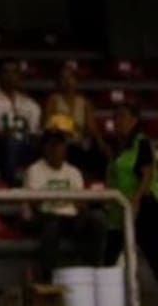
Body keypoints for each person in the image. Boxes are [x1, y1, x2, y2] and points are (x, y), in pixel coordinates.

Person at [21, 129, 107, 281]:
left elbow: (81, 202)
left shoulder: (73, 172)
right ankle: (48, 278)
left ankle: (93, 271)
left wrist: (81, 210)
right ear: (45, 148)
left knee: (97, 219)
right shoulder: (34, 170)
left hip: (70, 217)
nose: (56, 149)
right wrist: (62, 198)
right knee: (52, 224)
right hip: (45, 216)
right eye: (52, 145)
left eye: (60, 145)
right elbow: (35, 204)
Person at [104, 102, 158, 280]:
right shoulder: (116, 146)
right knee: (110, 258)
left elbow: (147, 174)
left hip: (143, 208)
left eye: (122, 116)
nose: (117, 121)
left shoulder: (141, 143)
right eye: (115, 117)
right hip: (119, 211)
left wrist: (136, 201)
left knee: (154, 254)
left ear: (134, 120)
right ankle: (109, 293)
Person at [0, 60, 41, 185]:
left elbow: (33, 133)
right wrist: (4, 135)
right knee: (11, 143)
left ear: (19, 76)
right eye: (6, 72)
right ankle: (9, 184)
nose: (10, 76)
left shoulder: (30, 104)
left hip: (21, 148)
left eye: (14, 72)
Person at [42, 60, 105, 178]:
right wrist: (68, 126)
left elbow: (91, 129)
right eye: (63, 78)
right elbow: (47, 124)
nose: (67, 81)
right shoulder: (54, 99)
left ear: (76, 80)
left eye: (70, 78)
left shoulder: (84, 102)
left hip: (80, 142)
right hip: (61, 141)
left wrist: (100, 142)